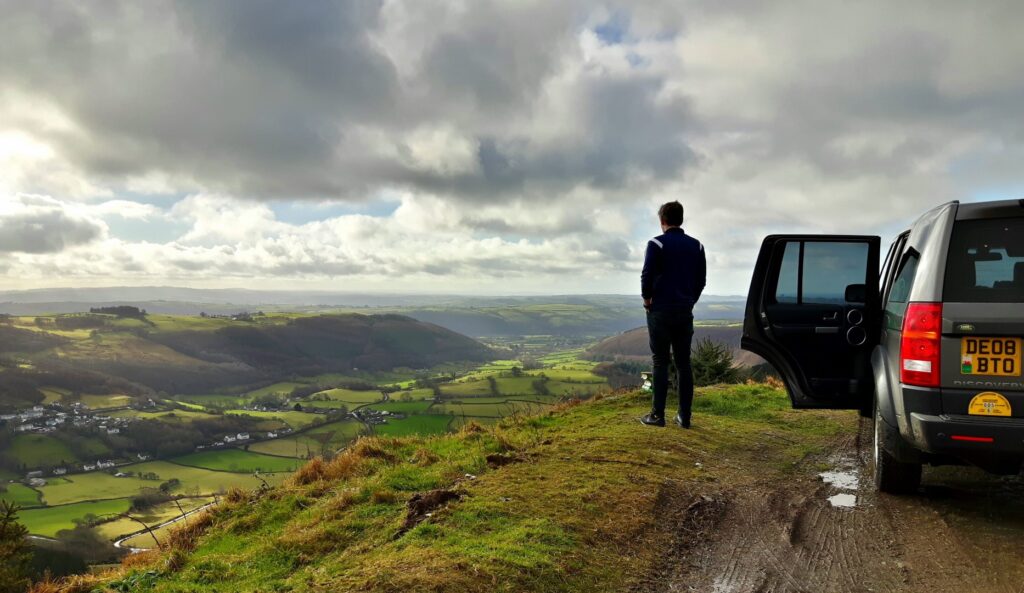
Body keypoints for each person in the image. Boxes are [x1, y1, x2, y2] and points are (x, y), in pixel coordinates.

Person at [639, 201, 706, 428]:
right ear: (681, 219)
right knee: (683, 363)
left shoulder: (656, 244)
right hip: (684, 310)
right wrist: (690, 301)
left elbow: (647, 275)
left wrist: (647, 300)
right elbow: (701, 280)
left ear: (662, 221)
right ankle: (684, 417)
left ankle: (658, 415)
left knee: (660, 361)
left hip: (660, 310)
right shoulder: (696, 246)